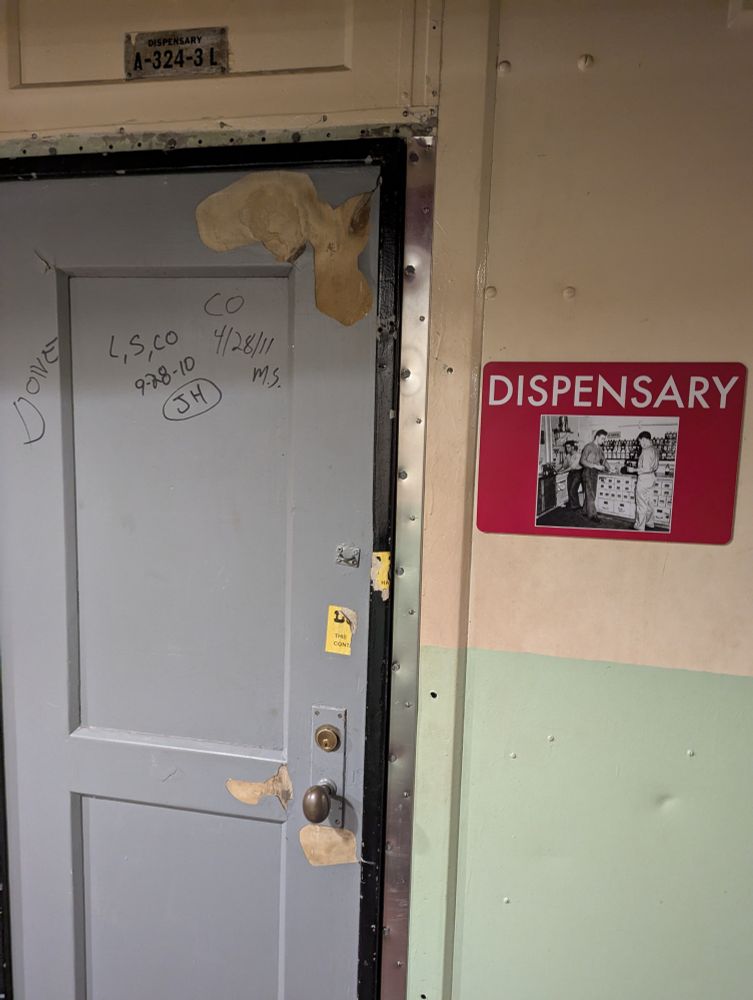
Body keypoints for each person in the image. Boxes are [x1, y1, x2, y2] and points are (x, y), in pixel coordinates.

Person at [629, 431, 660, 530]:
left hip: (644, 479)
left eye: (640, 442)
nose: (640, 444)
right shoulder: (655, 449)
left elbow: (645, 468)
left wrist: (633, 470)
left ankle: (640, 526)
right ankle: (650, 523)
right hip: (652, 478)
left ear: (644, 439)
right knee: (650, 503)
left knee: (641, 504)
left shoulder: (646, 450)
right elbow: (654, 467)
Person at [579, 428, 609, 521]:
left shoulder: (599, 449)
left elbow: (603, 460)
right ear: (597, 437)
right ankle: (592, 516)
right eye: (602, 438)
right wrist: (596, 466)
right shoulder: (588, 447)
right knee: (591, 494)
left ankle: (585, 511)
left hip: (594, 473)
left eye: (604, 439)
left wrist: (610, 468)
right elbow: (582, 461)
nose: (603, 441)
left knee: (591, 493)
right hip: (587, 472)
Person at [557, 440, 582, 510]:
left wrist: (562, 472)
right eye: (566, 447)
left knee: (573, 489)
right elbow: (564, 465)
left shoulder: (578, 455)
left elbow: (572, 467)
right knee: (569, 489)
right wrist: (558, 470)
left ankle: (576, 506)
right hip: (571, 473)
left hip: (578, 473)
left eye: (568, 447)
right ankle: (572, 505)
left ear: (573, 447)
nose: (567, 449)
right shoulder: (567, 455)